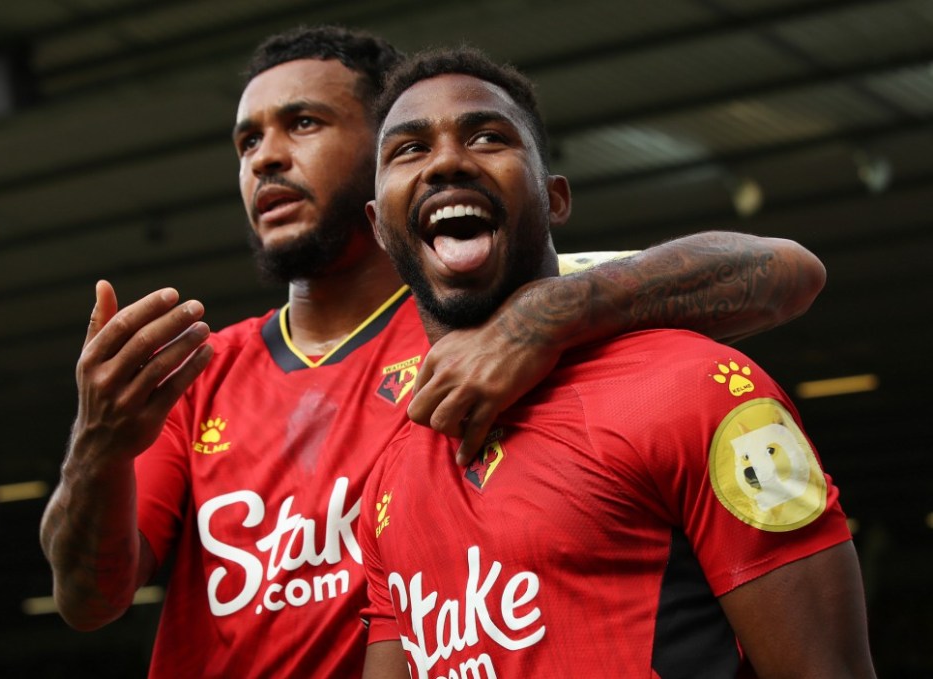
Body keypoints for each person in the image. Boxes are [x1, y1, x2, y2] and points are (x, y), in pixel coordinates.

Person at [39, 26, 828, 679]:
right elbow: (90, 598)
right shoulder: (199, 371)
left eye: (303, 124)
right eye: (248, 140)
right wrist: (96, 446)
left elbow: (782, 273)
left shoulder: (497, 303)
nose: (266, 157)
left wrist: (545, 316)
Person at [358, 47, 876, 678]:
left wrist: (542, 318)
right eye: (409, 148)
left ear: (555, 200)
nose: (446, 161)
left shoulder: (695, 389)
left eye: (488, 136)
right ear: (380, 228)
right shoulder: (392, 473)